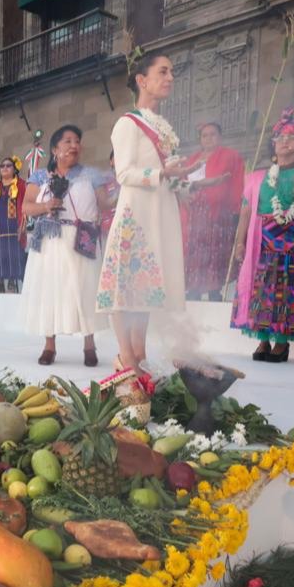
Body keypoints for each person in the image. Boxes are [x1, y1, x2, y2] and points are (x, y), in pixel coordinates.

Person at [99, 53, 193, 376]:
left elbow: (163, 171)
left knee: (147, 284)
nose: (170, 78)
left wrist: (179, 180)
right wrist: (161, 173)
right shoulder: (127, 123)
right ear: (142, 80)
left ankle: (139, 351)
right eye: (162, 71)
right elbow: (124, 173)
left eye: (172, 72)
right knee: (125, 286)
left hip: (160, 210)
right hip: (136, 213)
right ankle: (126, 357)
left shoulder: (162, 125)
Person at [231, 109, 294, 361]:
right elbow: (245, 212)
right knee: (261, 289)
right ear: (273, 144)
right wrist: (239, 242)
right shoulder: (256, 177)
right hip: (262, 238)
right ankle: (263, 339)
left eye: (292, 137)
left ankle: (282, 342)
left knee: (287, 288)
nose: (285, 141)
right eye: (280, 137)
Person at [21, 125, 111, 365]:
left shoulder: (91, 174)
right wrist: (46, 206)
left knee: (85, 288)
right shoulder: (40, 176)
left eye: (77, 141)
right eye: (68, 141)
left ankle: (89, 345)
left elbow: (105, 205)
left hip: (82, 237)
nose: (74, 145)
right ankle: (49, 345)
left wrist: (126, 185)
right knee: (49, 290)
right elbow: (26, 206)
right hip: (50, 240)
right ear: (54, 149)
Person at [180, 122, 245, 300]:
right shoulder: (192, 159)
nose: (209, 138)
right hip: (194, 214)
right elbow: (181, 184)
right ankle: (193, 289)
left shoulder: (230, 156)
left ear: (220, 137)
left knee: (215, 252)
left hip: (218, 214)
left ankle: (214, 290)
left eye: (213, 134)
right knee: (195, 251)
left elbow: (237, 181)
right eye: (205, 135)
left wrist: (236, 208)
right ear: (200, 139)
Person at [0, 156, 28, 292]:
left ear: (14, 169)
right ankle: (1, 283)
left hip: (14, 226)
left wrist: (24, 224)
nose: (5, 168)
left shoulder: (21, 184)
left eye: (8, 165)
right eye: (2, 166)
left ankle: (12, 283)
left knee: (13, 254)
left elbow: (26, 204)